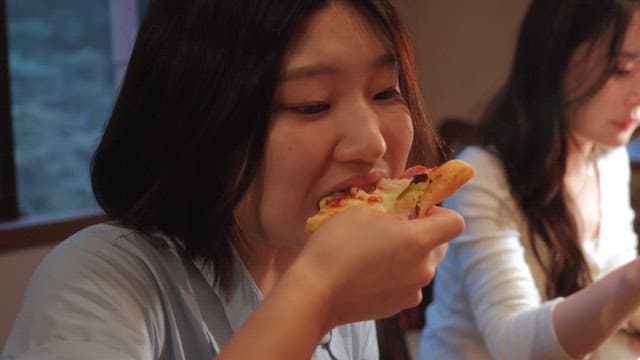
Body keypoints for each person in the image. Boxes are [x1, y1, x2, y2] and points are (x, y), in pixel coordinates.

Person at [2, 0, 464, 359]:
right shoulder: (101, 276)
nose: (372, 143)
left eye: (385, 92)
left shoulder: (337, 270)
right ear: (203, 122)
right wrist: (317, 296)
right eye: (312, 104)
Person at [419, 0, 640, 359]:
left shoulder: (608, 159)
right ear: (555, 60)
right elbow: (515, 344)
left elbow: (620, 292)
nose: (638, 94)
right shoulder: (483, 176)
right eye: (621, 69)